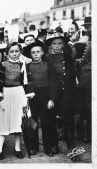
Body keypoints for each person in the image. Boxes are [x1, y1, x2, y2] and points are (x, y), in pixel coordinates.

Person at [0, 42, 33, 162]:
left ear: (20, 52)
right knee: (3, 122)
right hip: (5, 94)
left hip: (19, 94)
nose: (14, 54)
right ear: (7, 54)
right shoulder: (3, 65)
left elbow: (26, 82)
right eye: (11, 51)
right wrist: (0, 97)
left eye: (16, 51)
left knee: (18, 121)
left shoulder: (23, 65)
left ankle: (17, 148)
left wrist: (27, 98)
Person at [46, 32, 79, 162]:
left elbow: (72, 78)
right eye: (54, 44)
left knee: (68, 121)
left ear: (64, 44)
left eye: (60, 43)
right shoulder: (45, 58)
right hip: (51, 94)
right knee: (51, 120)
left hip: (67, 93)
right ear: (50, 45)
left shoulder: (69, 59)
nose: (57, 46)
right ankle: (54, 144)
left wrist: (73, 95)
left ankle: (71, 147)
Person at [24, 42, 58, 157]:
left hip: (45, 96)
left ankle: (48, 148)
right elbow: (24, 83)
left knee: (46, 123)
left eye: (38, 52)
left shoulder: (48, 65)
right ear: (30, 54)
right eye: (33, 52)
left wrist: (51, 99)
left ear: (42, 52)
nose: (36, 54)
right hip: (32, 97)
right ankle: (33, 146)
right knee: (32, 122)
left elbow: (53, 83)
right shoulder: (27, 66)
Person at [77, 16, 91, 143]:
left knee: (88, 106)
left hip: (89, 78)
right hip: (85, 76)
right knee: (85, 106)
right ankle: (86, 134)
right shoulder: (89, 41)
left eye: (88, 27)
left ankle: (88, 134)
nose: (86, 30)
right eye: (85, 27)